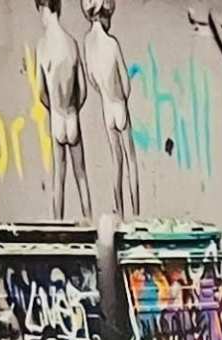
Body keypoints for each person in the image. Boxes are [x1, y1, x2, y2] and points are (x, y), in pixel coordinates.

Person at [82, 0, 141, 223]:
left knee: (117, 163)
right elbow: (126, 84)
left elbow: (91, 79)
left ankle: (120, 213)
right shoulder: (112, 44)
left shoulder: (88, 44)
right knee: (131, 161)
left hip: (106, 108)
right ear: (105, 14)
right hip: (119, 106)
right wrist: (120, 92)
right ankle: (135, 214)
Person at [35, 0, 91, 219]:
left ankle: (57, 226)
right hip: (72, 116)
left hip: (57, 118)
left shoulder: (43, 46)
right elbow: (83, 89)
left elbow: (41, 91)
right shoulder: (71, 43)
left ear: (43, 9)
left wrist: (54, 108)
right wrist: (73, 107)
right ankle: (89, 222)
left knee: (59, 179)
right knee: (81, 176)